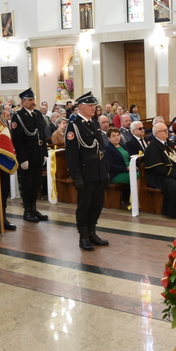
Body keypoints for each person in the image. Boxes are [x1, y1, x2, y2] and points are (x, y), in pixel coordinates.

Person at [64, 92, 109, 251]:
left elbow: (101, 148)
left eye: (94, 106)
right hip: (85, 172)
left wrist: (105, 171)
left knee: (97, 204)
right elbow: (71, 153)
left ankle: (92, 233)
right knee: (84, 205)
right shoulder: (74, 125)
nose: (93, 108)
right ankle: (83, 236)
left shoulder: (94, 123)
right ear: (81, 107)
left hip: (98, 170)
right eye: (90, 106)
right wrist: (76, 176)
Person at [10, 88, 48, 223]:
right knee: (27, 184)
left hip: (38, 154)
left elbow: (42, 135)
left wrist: (44, 152)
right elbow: (17, 140)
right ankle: (27, 210)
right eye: (30, 100)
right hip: (27, 155)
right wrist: (22, 158)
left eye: (33, 99)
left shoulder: (37, 114)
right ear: (23, 101)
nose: (33, 102)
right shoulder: (18, 116)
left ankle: (34, 208)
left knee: (36, 184)